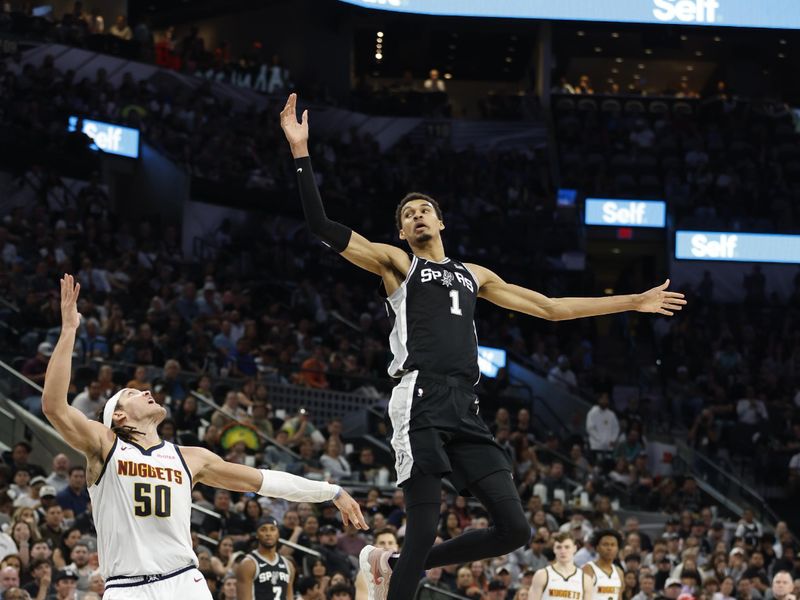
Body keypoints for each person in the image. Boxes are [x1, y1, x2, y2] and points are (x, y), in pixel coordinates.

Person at [280, 92, 686, 600]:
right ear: (402, 231)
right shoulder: (398, 265)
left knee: (515, 530)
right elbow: (322, 227)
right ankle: (400, 572)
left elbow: (552, 308)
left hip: (465, 405)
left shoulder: (475, 275)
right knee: (425, 523)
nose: (419, 216)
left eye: (426, 210)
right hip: (420, 396)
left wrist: (632, 301)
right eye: (409, 214)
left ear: (442, 222)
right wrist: (300, 152)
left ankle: (394, 564)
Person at [41, 275, 367, 600]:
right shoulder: (105, 445)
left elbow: (262, 481)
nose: (146, 391)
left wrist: (331, 491)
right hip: (127, 587)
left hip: (184, 581)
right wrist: (69, 329)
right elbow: (54, 406)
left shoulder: (191, 457)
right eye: (133, 393)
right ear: (119, 416)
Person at [236, 516, 294, 600]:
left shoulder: (288, 565)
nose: (268, 533)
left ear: (278, 534)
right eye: (263, 529)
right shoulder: (248, 564)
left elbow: (289, 597)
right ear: (257, 534)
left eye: (272, 529)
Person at [529, 533, 592, 600]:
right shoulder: (542, 575)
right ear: (554, 549)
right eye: (559, 547)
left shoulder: (585, 579)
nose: (563, 551)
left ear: (575, 548)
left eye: (567, 547)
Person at [584, 530, 624, 600]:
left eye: (613, 545)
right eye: (605, 544)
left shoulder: (619, 572)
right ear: (597, 548)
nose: (609, 548)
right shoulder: (589, 569)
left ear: (617, 549)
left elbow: (619, 597)